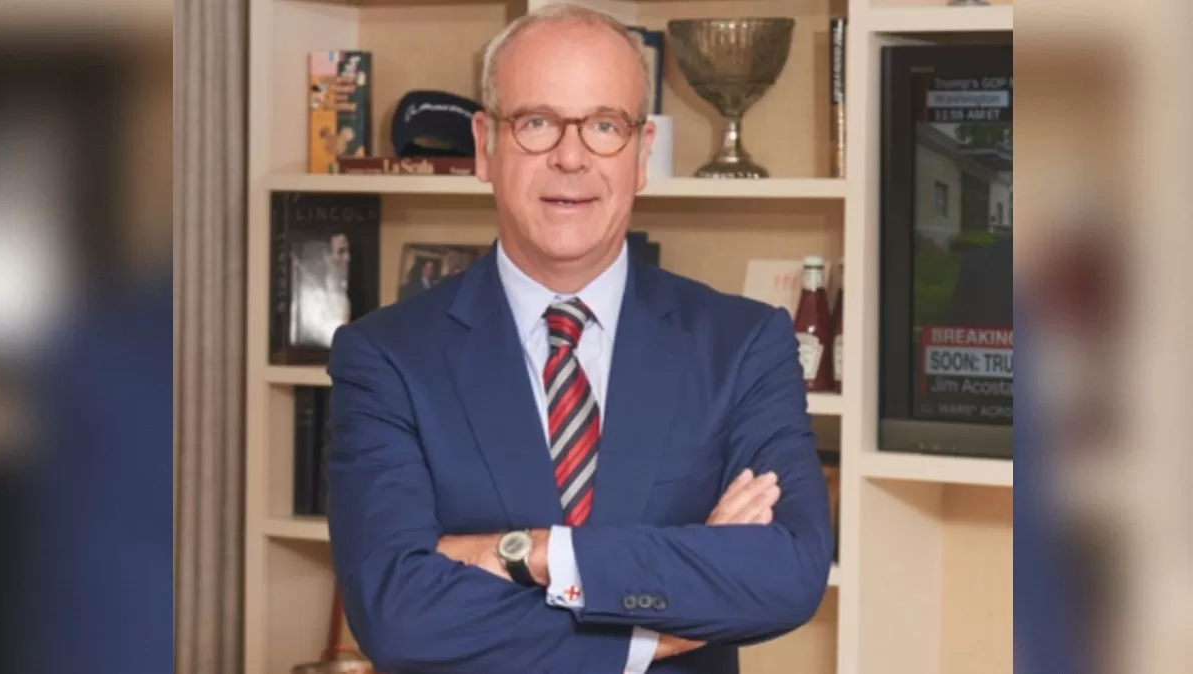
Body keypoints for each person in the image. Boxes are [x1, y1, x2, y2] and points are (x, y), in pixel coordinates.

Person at [325, 4, 834, 673]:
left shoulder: (743, 345)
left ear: (642, 153)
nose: (571, 158)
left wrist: (533, 552)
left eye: (604, 126)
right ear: (485, 146)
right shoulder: (385, 357)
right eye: (536, 122)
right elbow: (396, 614)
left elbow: (788, 571)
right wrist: (658, 624)